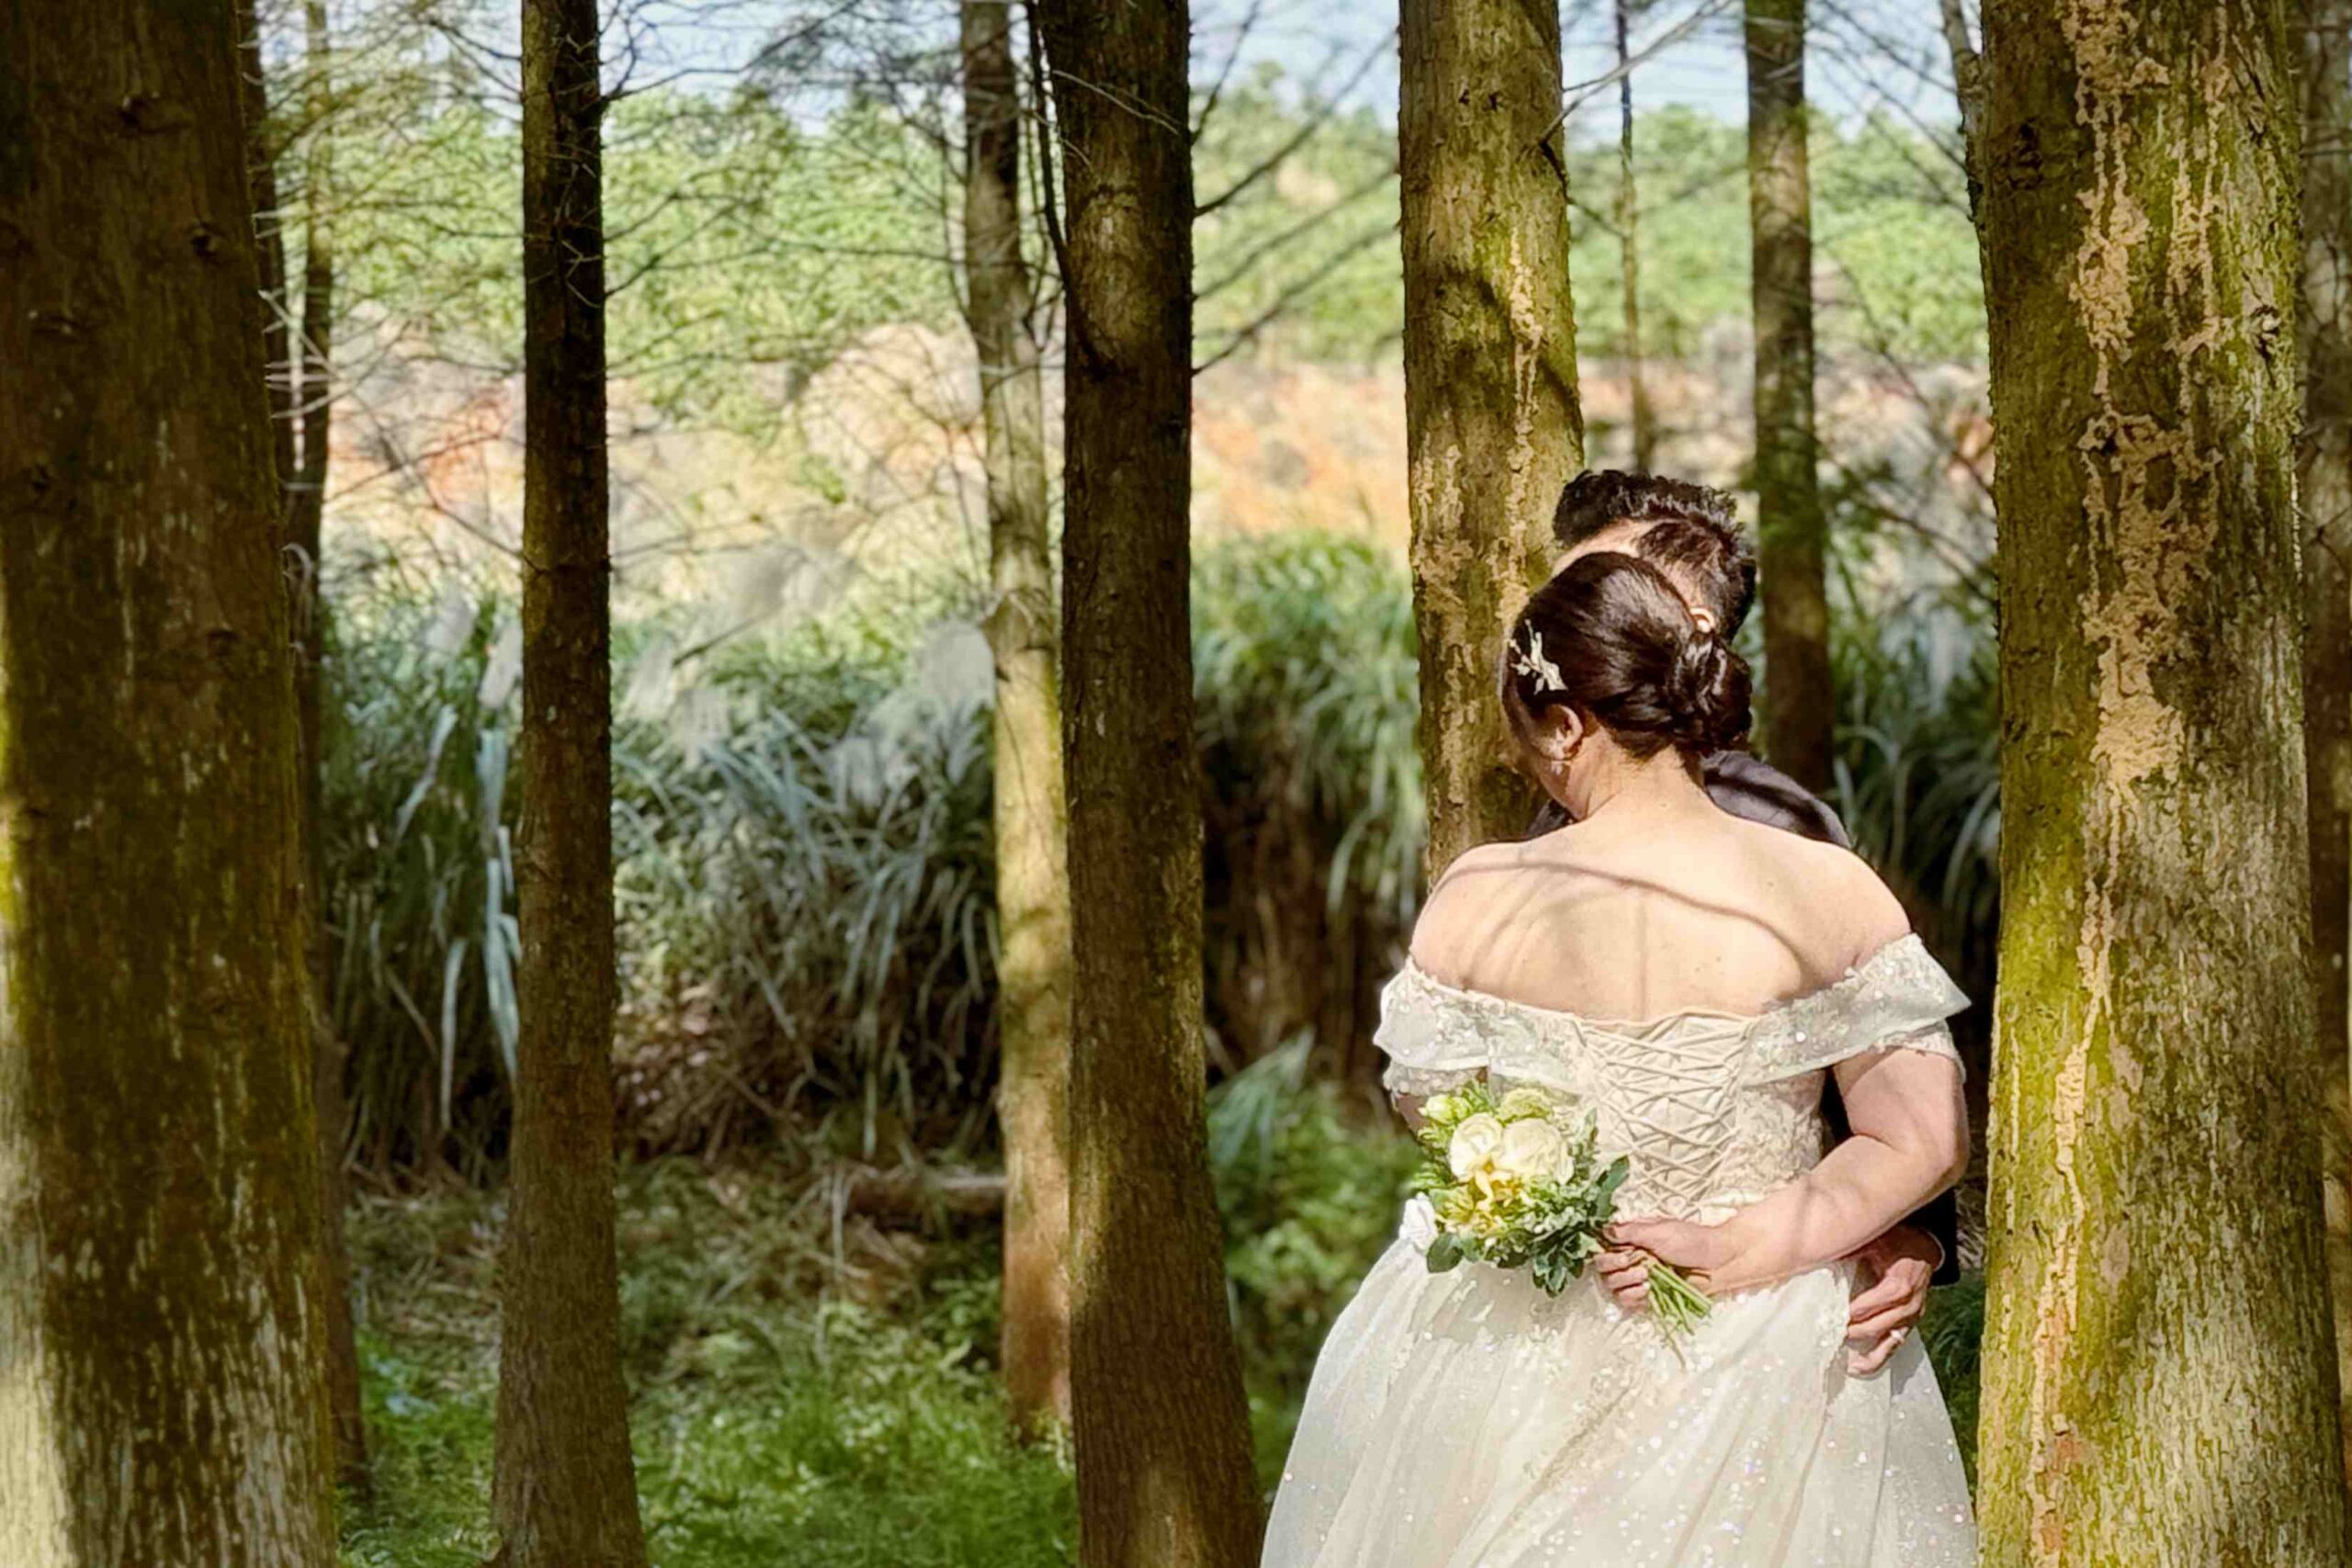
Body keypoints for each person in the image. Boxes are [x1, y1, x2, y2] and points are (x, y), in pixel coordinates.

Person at [1260, 548, 1975, 1567]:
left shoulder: (1478, 898)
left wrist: (1554, 1207)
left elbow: (1442, 1124)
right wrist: (1745, 1245)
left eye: (1525, 736)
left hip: (1514, 1347)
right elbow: (1924, 1138)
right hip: (1767, 1341)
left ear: (1565, 724)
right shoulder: (1828, 889)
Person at [1538, 470, 1960, 1371]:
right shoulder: (1544, 823)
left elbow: (1877, 1061)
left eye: (1604, 586)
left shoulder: (1776, 826)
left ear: (1690, 623)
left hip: (1739, 1307)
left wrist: (1909, 1228)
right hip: (1561, 1309)